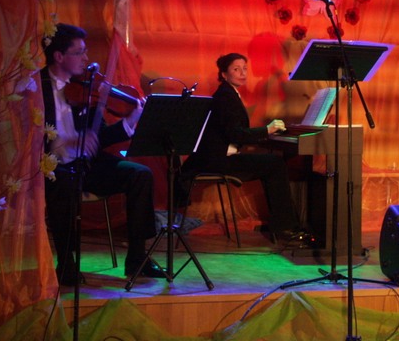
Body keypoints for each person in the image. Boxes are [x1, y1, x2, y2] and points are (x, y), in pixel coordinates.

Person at [41, 23, 165, 286]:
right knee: (63, 184)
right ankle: (66, 264)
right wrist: (70, 139)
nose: (86, 58)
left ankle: (137, 258)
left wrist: (131, 120)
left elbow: (101, 137)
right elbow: (29, 138)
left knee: (140, 175)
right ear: (59, 56)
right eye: (79, 52)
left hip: (87, 165)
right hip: (52, 167)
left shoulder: (86, 88)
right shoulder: (36, 88)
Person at [180, 53, 313, 245]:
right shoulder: (225, 97)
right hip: (216, 161)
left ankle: (283, 224)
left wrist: (265, 133)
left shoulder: (228, 93)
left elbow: (236, 132)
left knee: (273, 163)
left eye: (244, 69)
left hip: (219, 158)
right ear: (224, 74)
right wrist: (267, 130)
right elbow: (235, 134)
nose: (242, 73)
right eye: (236, 69)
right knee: (275, 164)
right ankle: (285, 228)